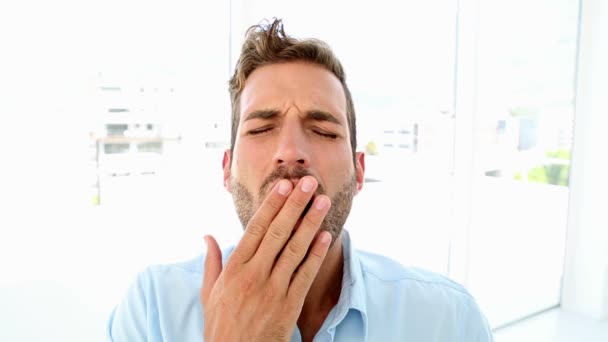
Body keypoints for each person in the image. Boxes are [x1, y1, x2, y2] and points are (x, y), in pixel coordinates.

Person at [107, 19, 494, 342]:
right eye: (260, 129)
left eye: (324, 131)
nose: (290, 150)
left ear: (360, 172)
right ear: (227, 170)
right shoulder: (151, 308)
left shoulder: (450, 319)